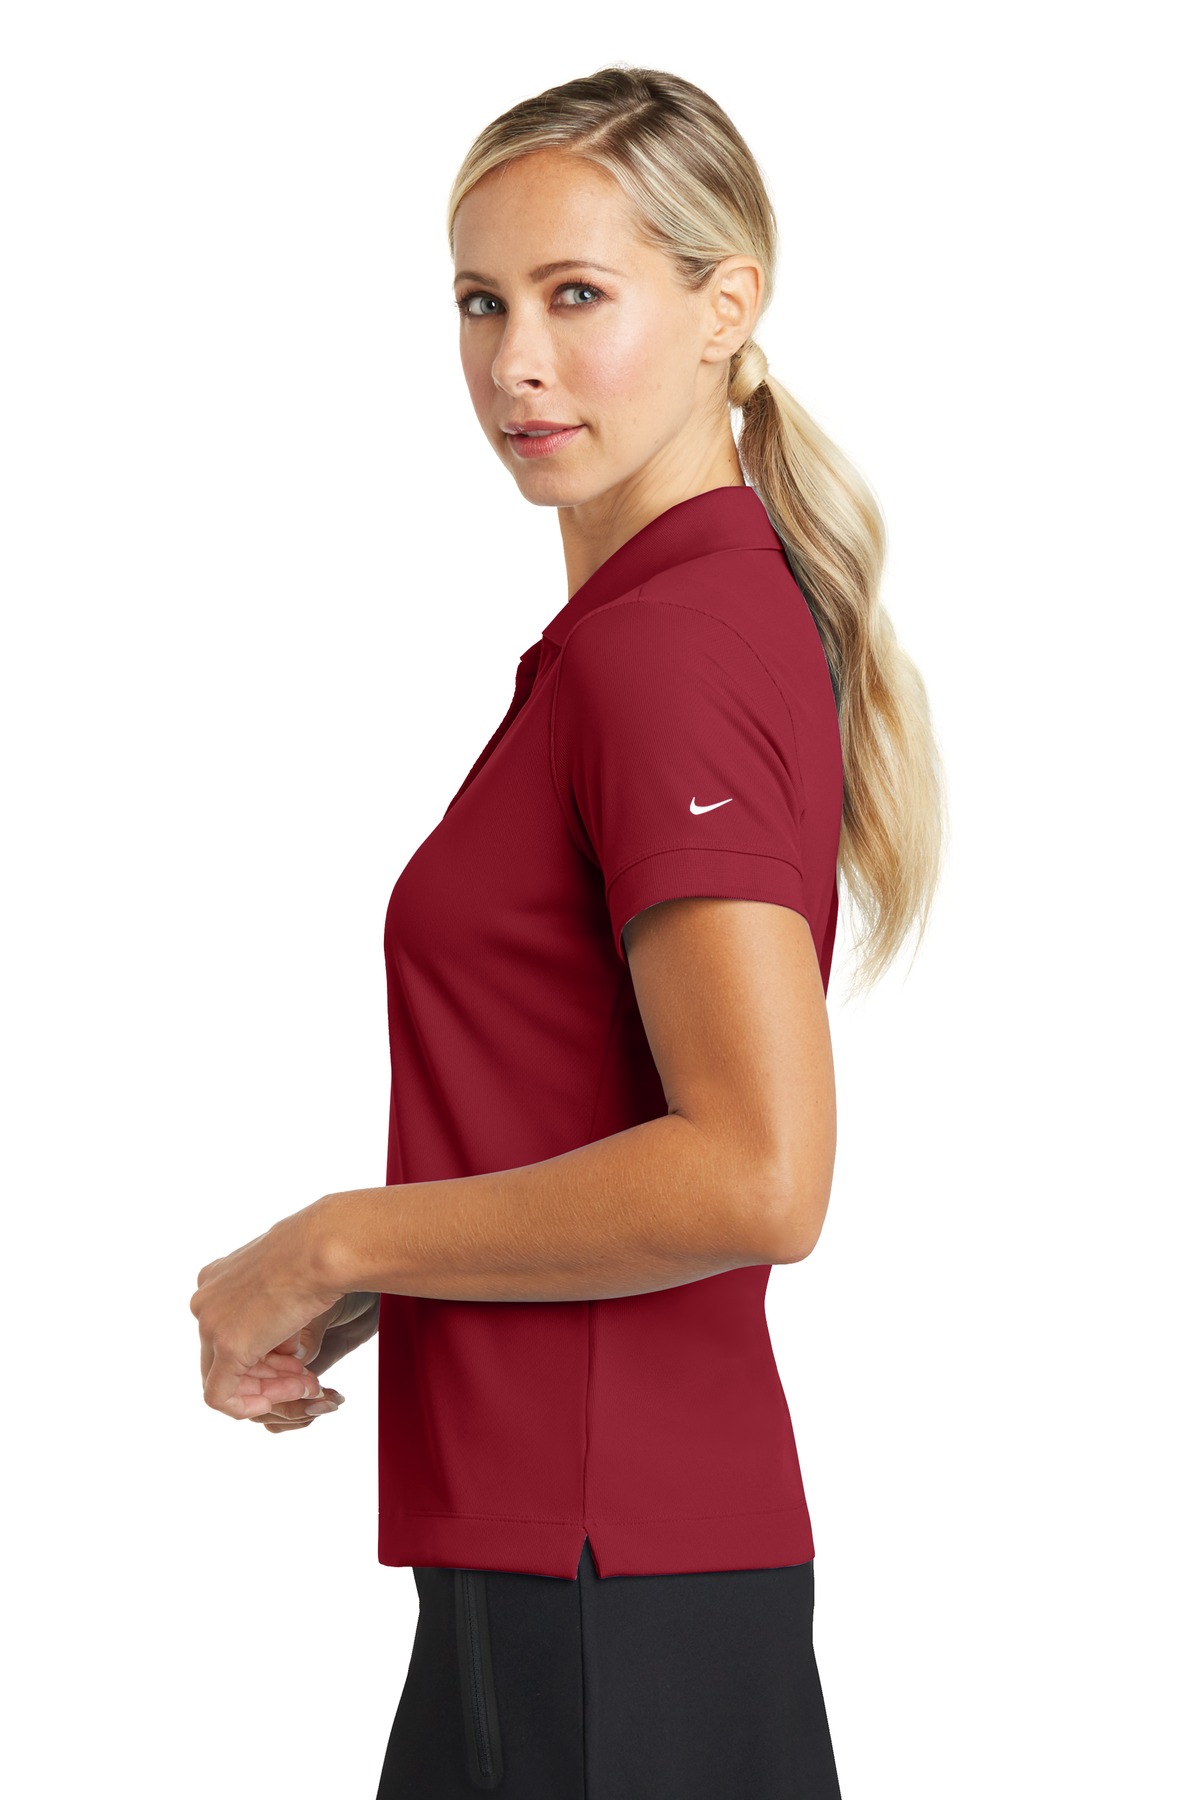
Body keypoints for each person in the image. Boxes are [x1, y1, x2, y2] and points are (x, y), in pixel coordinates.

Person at [191, 64, 946, 1798]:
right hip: (584, 1563)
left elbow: (758, 1174)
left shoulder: (664, 650)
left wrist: (324, 1241)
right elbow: (591, 1106)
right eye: (482, 302)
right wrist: (387, 1278)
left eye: (578, 295)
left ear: (725, 306)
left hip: (606, 1583)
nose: (515, 362)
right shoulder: (666, 625)